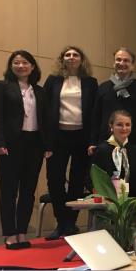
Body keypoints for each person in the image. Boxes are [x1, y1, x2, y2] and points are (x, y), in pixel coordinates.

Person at [0, 50, 51, 250]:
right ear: (11, 66)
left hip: (34, 144)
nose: (20, 66)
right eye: (16, 62)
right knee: (9, 191)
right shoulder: (1, 87)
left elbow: (46, 121)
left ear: (32, 67)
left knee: (28, 191)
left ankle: (22, 232)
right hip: (10, 145)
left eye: (25, 62)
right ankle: (9, 233)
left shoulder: (40, 91)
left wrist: (48, 146)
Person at [44, 46, 98, 240]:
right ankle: (61, 222)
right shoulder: (53, 81)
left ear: (81, 59)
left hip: (81, 138)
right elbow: (45, 111)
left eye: (75, 55)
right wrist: (46, 143)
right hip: (58, 137)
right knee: (55, 179)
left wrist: (93, 141)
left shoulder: (91, 83)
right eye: (67, 54)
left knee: (77, 181)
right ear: (62, 59)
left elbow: (94, 113)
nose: (71, 57)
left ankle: (71, 223)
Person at [90, 47, 136, 156]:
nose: (121, 63)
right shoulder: (103, 87)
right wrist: (92, 142)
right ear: (113, 63)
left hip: (134, 144)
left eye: (126, 60)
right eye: (118, 60)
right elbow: (95, 118)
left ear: (132, 65)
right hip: (105, 143)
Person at [91, 110, 136, 197]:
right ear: (111, 126)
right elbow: (93, 178)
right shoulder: (102, 150)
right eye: (119, 125)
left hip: (131, 200)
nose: (124, 128)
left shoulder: (135, 151)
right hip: (108, 200)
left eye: (128, 125)